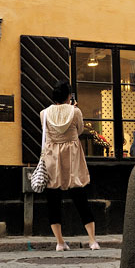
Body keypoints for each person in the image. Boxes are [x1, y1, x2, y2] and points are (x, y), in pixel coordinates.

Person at [40, 80, 100, 250]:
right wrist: (72, 109)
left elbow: (45, 133)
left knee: (53, 199)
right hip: (72, 157)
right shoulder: (75, 112)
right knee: (80, 196)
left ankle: (60, 242)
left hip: (52, 159)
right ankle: (92, 240)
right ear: (68, 96)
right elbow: (80, 130)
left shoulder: (44, 113)